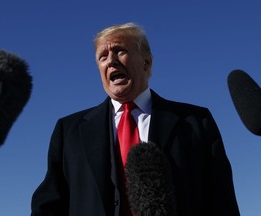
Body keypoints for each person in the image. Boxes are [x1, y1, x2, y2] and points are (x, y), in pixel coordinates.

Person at [31, 22, 240, 216]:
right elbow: (49, 204)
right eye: (102, 57)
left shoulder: (195, 122)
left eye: (120, 51)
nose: (111, 61)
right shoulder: (69, 131)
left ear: (147, 62)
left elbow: (222, 201)